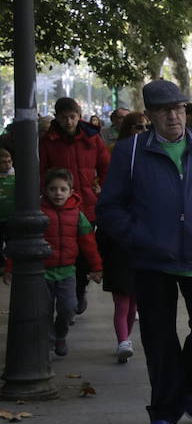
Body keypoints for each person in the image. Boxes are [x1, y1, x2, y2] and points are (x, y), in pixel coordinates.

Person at [97, 80, 192, 424]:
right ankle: (164, 412)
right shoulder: (130, 151)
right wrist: (139, 237)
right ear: (149, 116)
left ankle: (188, 386)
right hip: (153, 261)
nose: (174, 116)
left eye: (178, 108)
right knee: (159, 339)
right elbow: (110, 207)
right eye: (164, 111)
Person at [4, 168, 104, 357]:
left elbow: (88, 244)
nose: (58, 193)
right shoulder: (37, 213)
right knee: (43, 311)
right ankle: (49, 342)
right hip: (42, 272)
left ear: (70, 191)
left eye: (62, 189)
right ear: (45, 190)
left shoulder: (77, 215)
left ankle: (60, 335)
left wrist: (97, 267)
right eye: (52, 189)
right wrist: (10, 267)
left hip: (67, 272)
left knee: (68, 308)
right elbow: (19, 242)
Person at [40, 96, 110, 316]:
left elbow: (106, 166)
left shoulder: (92, 138)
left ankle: (78, 290)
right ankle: (65, 295)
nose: (69, 121)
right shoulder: (48, 141)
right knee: (63, 249)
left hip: (88, 206)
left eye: (72, 117)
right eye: (64, 117)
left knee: (85, 250)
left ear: (79, 116)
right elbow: (41, 171)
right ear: (57, 118)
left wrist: (104, 191)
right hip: (58, 204)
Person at [99, 112, 149, 363]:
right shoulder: (116, 151)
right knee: (122, 301)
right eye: (137, 127)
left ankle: (125, 338)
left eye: (144, 127)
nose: (141, 131)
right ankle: (123, 340)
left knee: (134, 302)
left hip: (141, 245)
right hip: (120, 245)